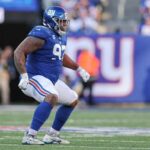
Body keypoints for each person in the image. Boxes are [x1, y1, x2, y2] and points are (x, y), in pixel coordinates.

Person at [14, 6, 90, 145]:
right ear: (51, 21)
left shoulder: (60, 37)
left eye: (65, 21)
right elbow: (19, 52)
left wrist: (78, 68)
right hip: (33, 77)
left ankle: (52, 135)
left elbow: (59, 55)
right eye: (61, 21)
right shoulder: (42, 33)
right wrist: (24, 75)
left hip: (49, 80)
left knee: (72, 99)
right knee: (51, 96)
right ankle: (30, 135)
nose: (64, 24)